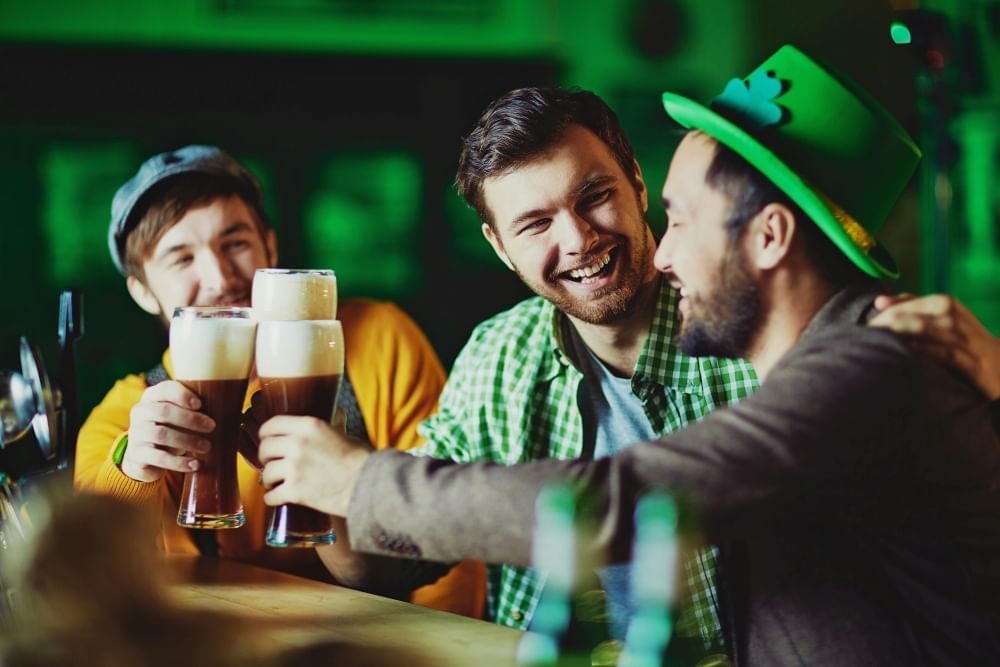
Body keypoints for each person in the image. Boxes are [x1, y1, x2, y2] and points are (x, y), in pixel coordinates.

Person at [257, 46, 1000, 664]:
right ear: (499, 247)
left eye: (675, 218)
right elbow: (396, 561)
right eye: (537, 221)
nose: (587, 241)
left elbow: (626, 503)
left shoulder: (855, 365)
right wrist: (338, 492)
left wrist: (362, 476)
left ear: (769, 237)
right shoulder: (503, 351)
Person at [73, 145, 485, 618]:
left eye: (235, 243)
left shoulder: (378, 340)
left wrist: (443, 644)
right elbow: (94, 577)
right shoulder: (128, 413)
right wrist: (133, 473)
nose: (219, 276)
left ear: (270, 247)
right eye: (181, 258)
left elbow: (451, 529)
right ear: (143, 291)